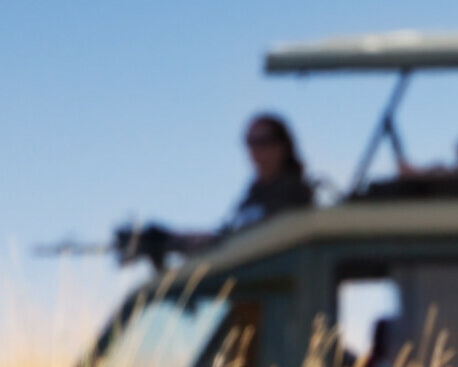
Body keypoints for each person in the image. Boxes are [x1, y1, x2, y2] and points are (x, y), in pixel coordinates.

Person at [116, 113, 319, 267]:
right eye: (249, 142)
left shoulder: (295, 196)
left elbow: (250, 245)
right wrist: (168, 240)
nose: (255, 151)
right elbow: (224, 239)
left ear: (282, 146)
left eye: (262, 141)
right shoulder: (251, 198)